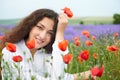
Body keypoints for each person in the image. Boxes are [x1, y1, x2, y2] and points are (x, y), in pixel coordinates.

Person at [0, 8, 92, 80]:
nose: (43, 36)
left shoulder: (47, 54)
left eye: (50, 33)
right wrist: (82, 76)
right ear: (29, 26)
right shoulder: (10, 52)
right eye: (40, 27)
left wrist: (60, 33)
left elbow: (59, 76)